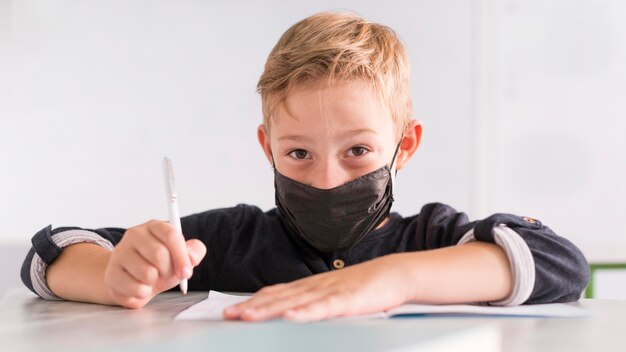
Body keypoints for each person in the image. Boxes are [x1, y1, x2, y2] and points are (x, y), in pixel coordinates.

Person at [20, 12, 589, 322]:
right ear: (268, 147)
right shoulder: (228, 241)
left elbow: (560, 264)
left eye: (359, 151)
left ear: (405, 146)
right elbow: (49, 254)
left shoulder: (434, 237)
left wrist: (391, 279)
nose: (326, 180)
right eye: (298, 154)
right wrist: (116, 274)